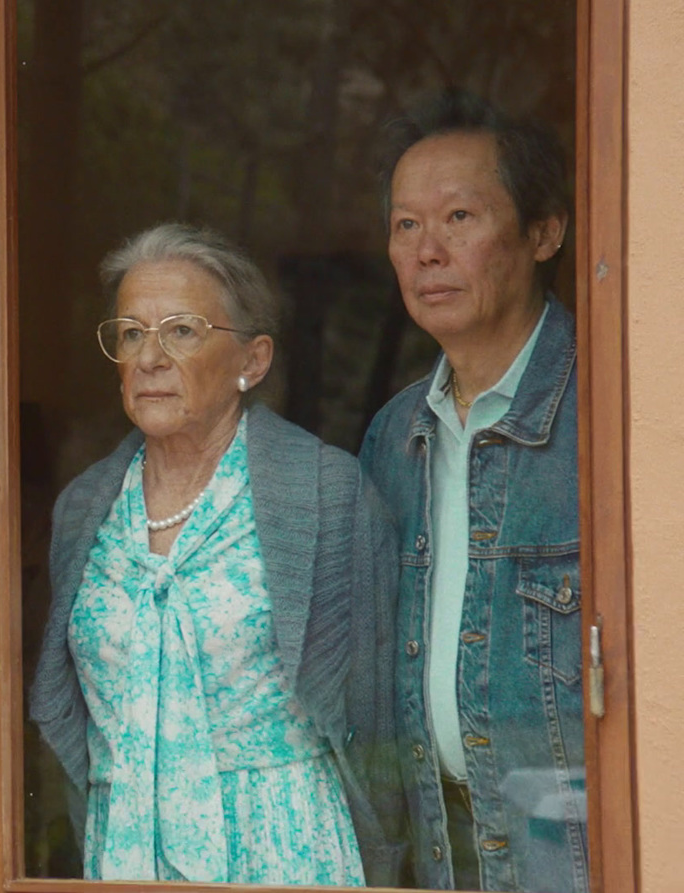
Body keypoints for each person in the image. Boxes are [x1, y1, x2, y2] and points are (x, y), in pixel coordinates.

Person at [30, 223, 406, 886]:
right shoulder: (83, 509)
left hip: (284, 852)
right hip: (125, 854)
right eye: (130, 332)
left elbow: (379, 722)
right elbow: (72, 728)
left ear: (252, 361)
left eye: (181, 330)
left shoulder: (326, 494)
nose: (149, 357)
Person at [359, 90, 582, 892]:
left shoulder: (613, 419)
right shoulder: (392, 436)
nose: (426, 251)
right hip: (441, 854)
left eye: (458, 217)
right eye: (405, 225)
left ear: (544, 232)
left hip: (578, 860)